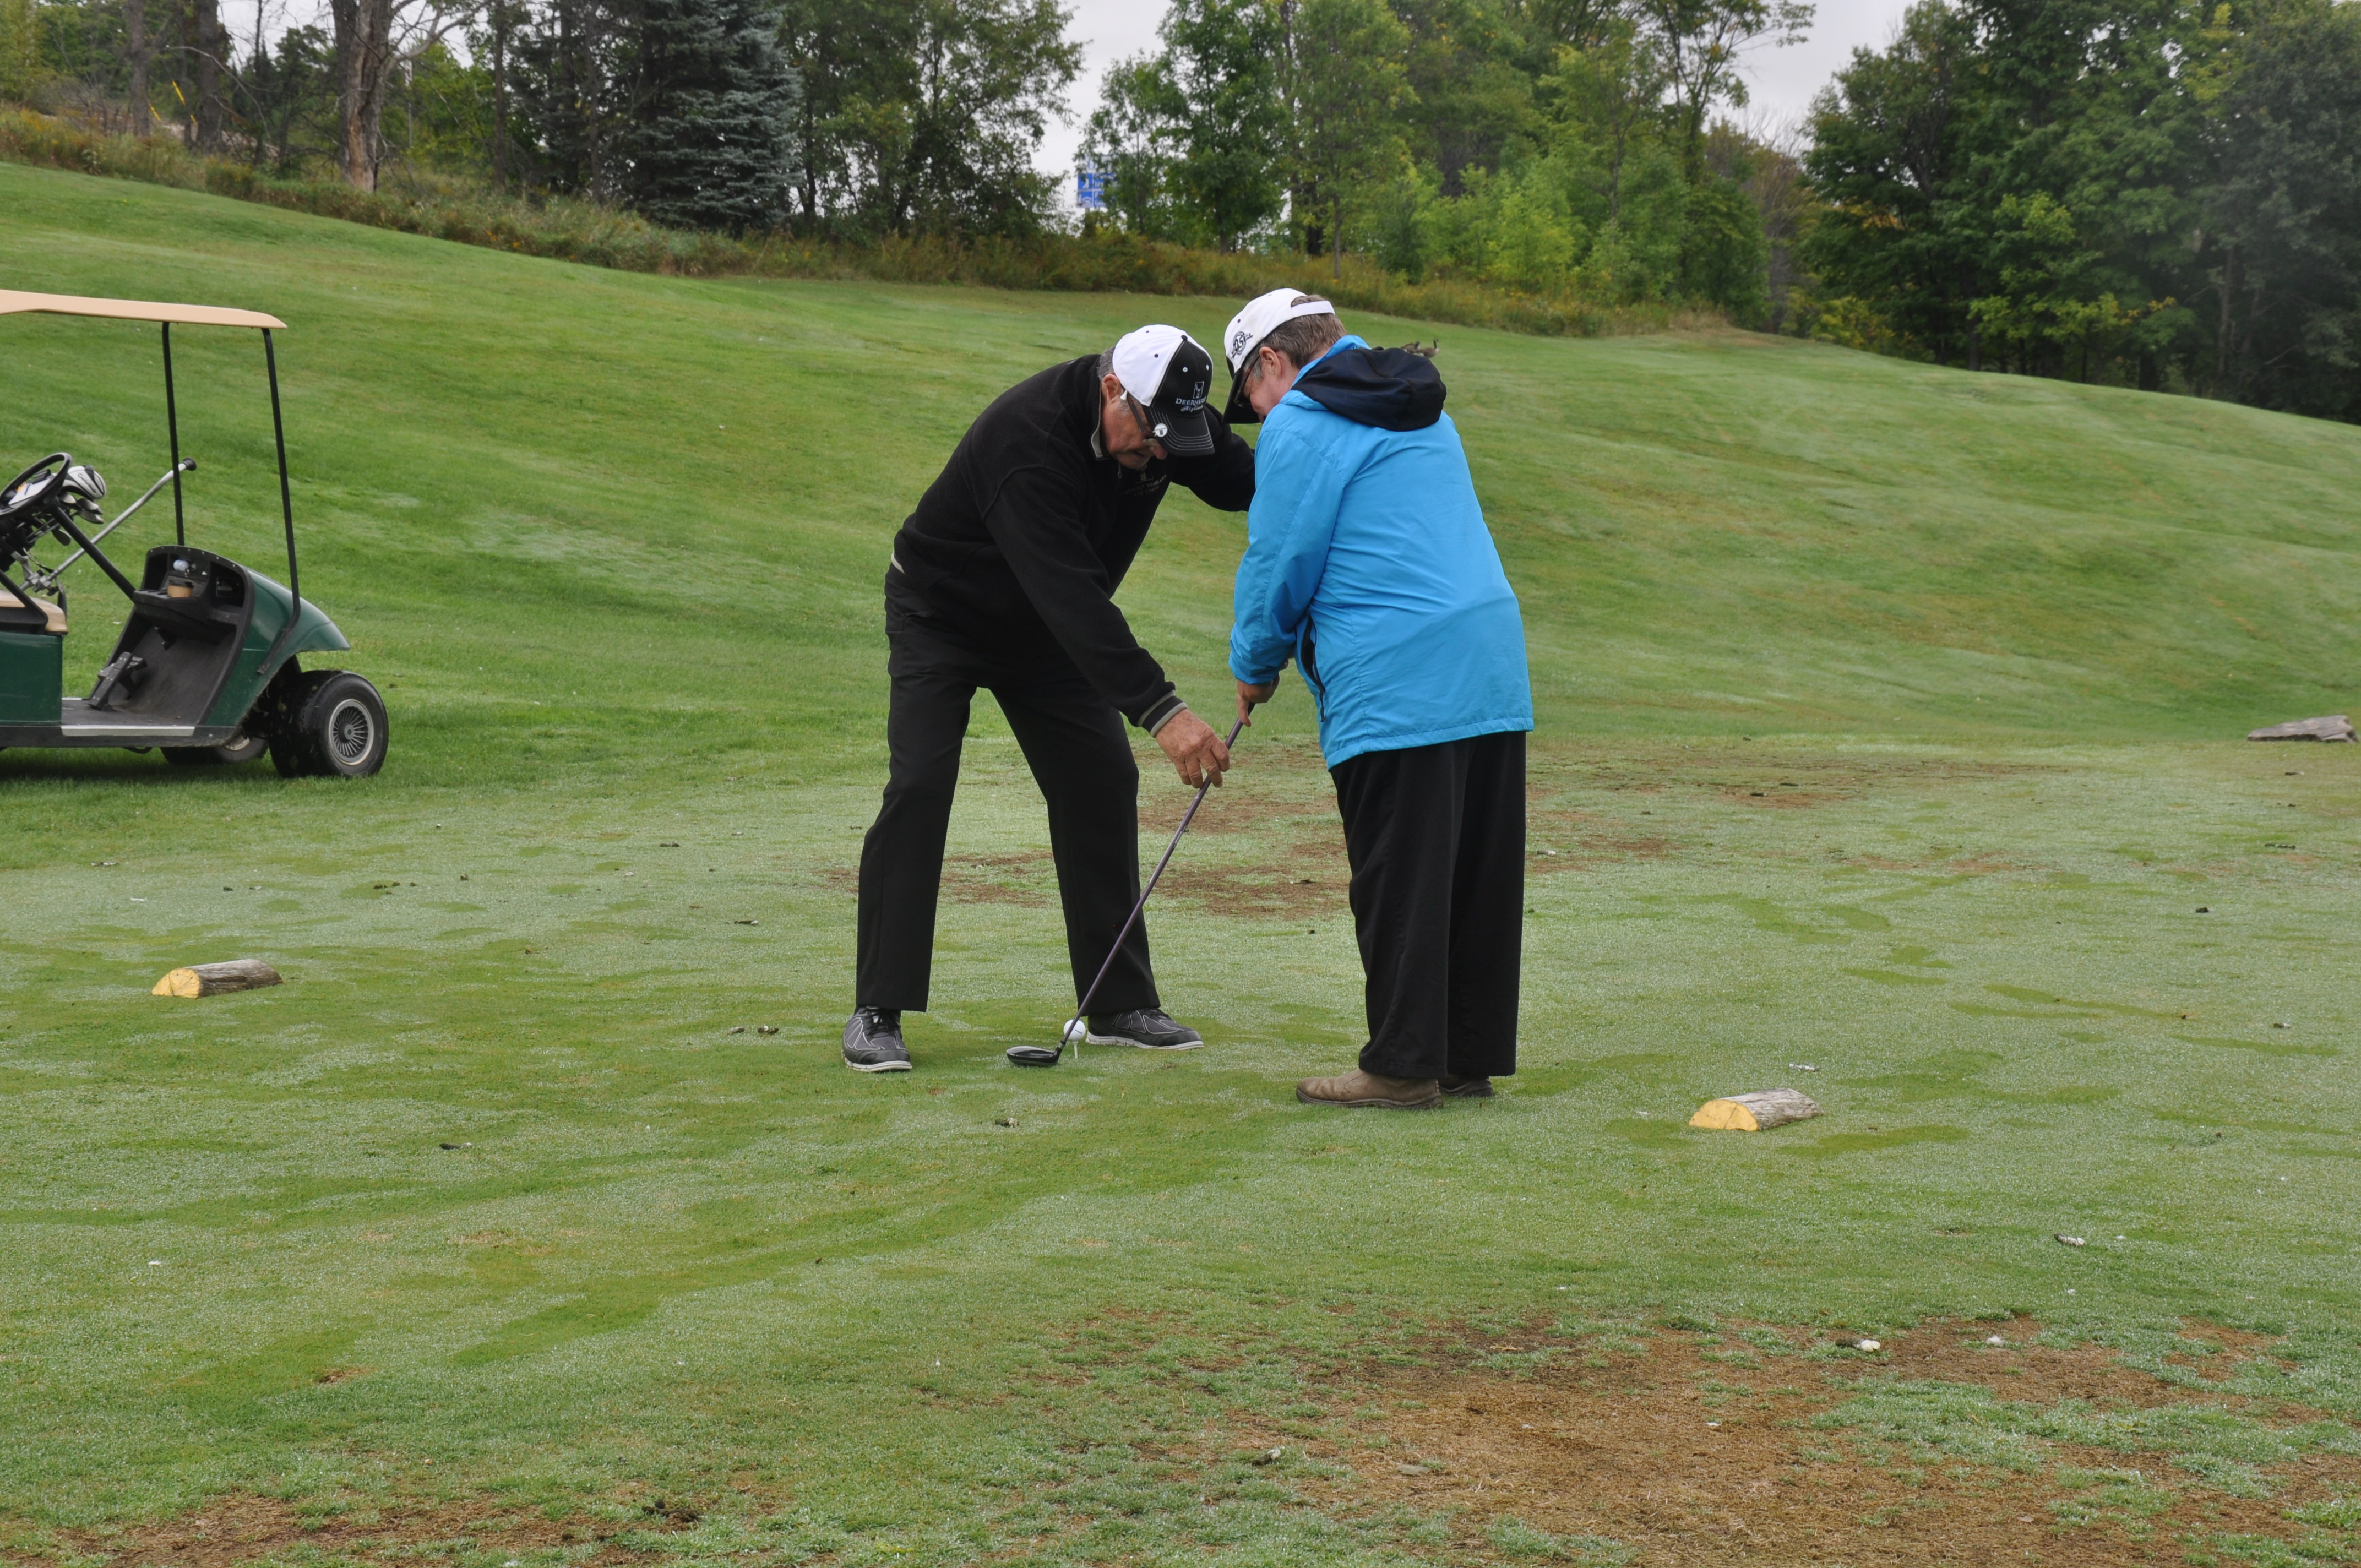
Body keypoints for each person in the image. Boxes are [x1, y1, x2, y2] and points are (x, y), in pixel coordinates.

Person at [843, 325, 1254, 1072]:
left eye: (1176, 439)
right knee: (922, 782)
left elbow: (1249, 483)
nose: (1162, 454)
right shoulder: (1027, 442)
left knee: (1102, 780)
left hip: (1045, 635)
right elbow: (1074, 598)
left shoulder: (1166, 421)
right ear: (1112, 391)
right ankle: (878, 1009)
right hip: (943, 616)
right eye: (1151, 436)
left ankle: (1119, 1004)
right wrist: (1164, 713)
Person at [1221, 289, 1533, 1109]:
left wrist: (1254, 663)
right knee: (1473, 867)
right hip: (1489, 658)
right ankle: (1463, 1055)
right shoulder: (1415, 399)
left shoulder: (1301, 421)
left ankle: (1400, 1067)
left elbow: (1280, 561)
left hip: (1396, 671)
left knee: (1400, 874)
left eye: (1250, 393)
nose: (1258, 413)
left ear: (1272, 362)